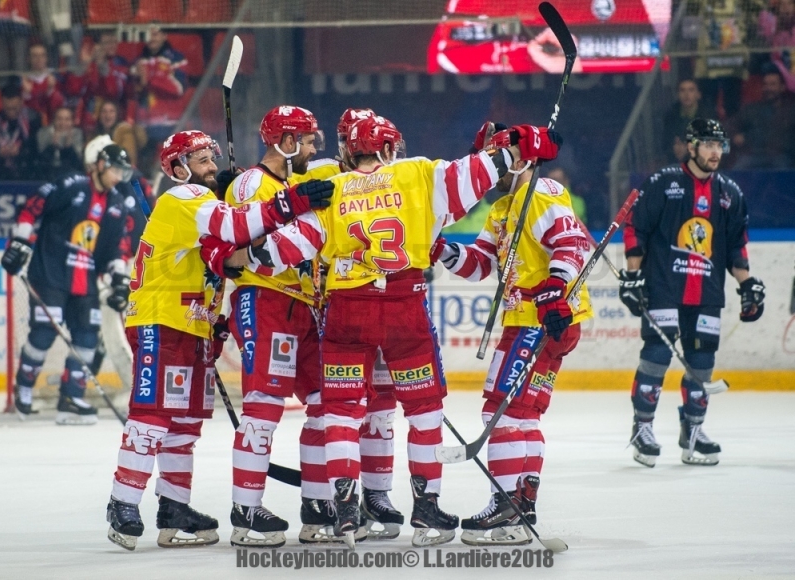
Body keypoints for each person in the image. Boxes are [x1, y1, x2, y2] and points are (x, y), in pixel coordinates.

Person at [253, 114, 559, 547]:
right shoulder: (417, 173)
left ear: (348, 150)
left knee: (341, 412)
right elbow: (483, 172)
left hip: (346, 311)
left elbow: (274, 252)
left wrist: (234, 252)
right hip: (403, 308)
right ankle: (427, 513)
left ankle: (343, 511)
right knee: (424, 412)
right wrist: (521, 145)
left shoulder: (331, 188)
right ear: (388, 149)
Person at [104, 129, 334, 551]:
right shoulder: (182, 199)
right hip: (161, 320)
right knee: (152, 415)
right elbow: (234, 224)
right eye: (202, 159)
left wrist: (222, 317)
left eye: (213, 157)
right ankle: (122, 501)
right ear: (177, 169)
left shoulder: (204, 206)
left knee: (185, 424)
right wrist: (291, 202)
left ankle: (173, 508)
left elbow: (228, 258)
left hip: (194, 326)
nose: (212, 166)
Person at [432, 127, 587, 546]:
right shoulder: (503, 206)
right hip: (541, 319)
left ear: (514, 157)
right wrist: (443, 250)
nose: (485, 170)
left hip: (541, 319)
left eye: (490, 158)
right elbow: (480, 264)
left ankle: (504, 508)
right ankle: (522, 504)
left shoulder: (541, 192)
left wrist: (555, 291)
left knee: (497, 410)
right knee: (524, 414)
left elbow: (572, 243)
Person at [220, 105, 354, 548]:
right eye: (309, 141)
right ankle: (245, 510)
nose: (314, 149)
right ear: (287, 142)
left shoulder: (292, 182)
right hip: (265, 300)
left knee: (325, 400)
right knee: (263, 406)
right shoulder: (252, 183)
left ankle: (316, 507)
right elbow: (238, 246)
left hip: (303, 307)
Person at [620, 118, 765, 468]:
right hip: (663, 286)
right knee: (656, 354)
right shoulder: (663, 182)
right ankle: (642, 429)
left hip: (708, 291)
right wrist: (632, 276)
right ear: (691, 146)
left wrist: (746, 283)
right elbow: (635, 228)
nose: (716, 152)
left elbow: (735, 247)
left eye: (720, 146)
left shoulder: (730, 193)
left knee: (702, 360)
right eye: (709, 144)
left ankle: (694, 431)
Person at [0, 142, 133, 424]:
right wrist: (21, 241)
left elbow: (115, 250)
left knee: (87, 336)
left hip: (85, 280)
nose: (118, 176)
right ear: (99, 164)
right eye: (114, 169)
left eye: (122, 171)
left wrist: (119, 279)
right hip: (50, 271)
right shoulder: (72, 184)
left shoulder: (116, 205)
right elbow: (33, 207)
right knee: (45, 331)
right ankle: (23, 388)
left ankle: (71, 398)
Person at [133, 25, 187, 173]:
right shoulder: (139, 60)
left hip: (169, 122)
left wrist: (149, 80)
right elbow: (132, 91)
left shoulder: (176, 58)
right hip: (144, 124)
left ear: (164, 36)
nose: (151, 38)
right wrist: (139, 83)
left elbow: (179, 88)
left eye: (155, 34)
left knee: (168, 169)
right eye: (148, 34)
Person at [730, 68, 795, 169]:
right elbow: (730, 124)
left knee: (783, 168)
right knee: (738, 168)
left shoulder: (791, 111)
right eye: (766, 84)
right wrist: (735, 135)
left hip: (782, 156)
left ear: (782, 87)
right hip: (754, 155)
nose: (768, 88)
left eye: (773, 84)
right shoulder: (753, 109)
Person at [662, 78, 716, 164]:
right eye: (682, 90)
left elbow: (712, 142)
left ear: (698, 94)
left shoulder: (708, 115)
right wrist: (674, 148)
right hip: (675, 162)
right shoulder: (671, 115)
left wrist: (688, 149)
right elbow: (665, 142)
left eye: (691, 90)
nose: (686, 95)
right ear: (678, 94)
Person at [0, 82, 41, 180]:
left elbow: (37, 149)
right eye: (8, 109)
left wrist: (21, 150)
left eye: (15, 108)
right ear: (2, 103)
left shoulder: (33, 119)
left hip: (27, 170)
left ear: (21, 102)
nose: (11, 112)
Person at [21, 42, 64, 124]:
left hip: (53, 121)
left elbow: (58, 104)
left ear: (46, 58)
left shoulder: (55, 76)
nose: (39, 59)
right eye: (35, 56)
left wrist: (50, 91)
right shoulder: (24, 79)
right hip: (31, 123)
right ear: (28, 59)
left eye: (42, 55)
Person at [36, 106, 84, 180]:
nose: (63, 123)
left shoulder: (77, 134)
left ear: (72, 121)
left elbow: (77, 163)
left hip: (70, 175)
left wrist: (68, 148)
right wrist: (52, 147)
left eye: (67, 119)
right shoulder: (44, 133)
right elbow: (40, 160)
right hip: (47, 175)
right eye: (59, 119)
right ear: (54, 120)